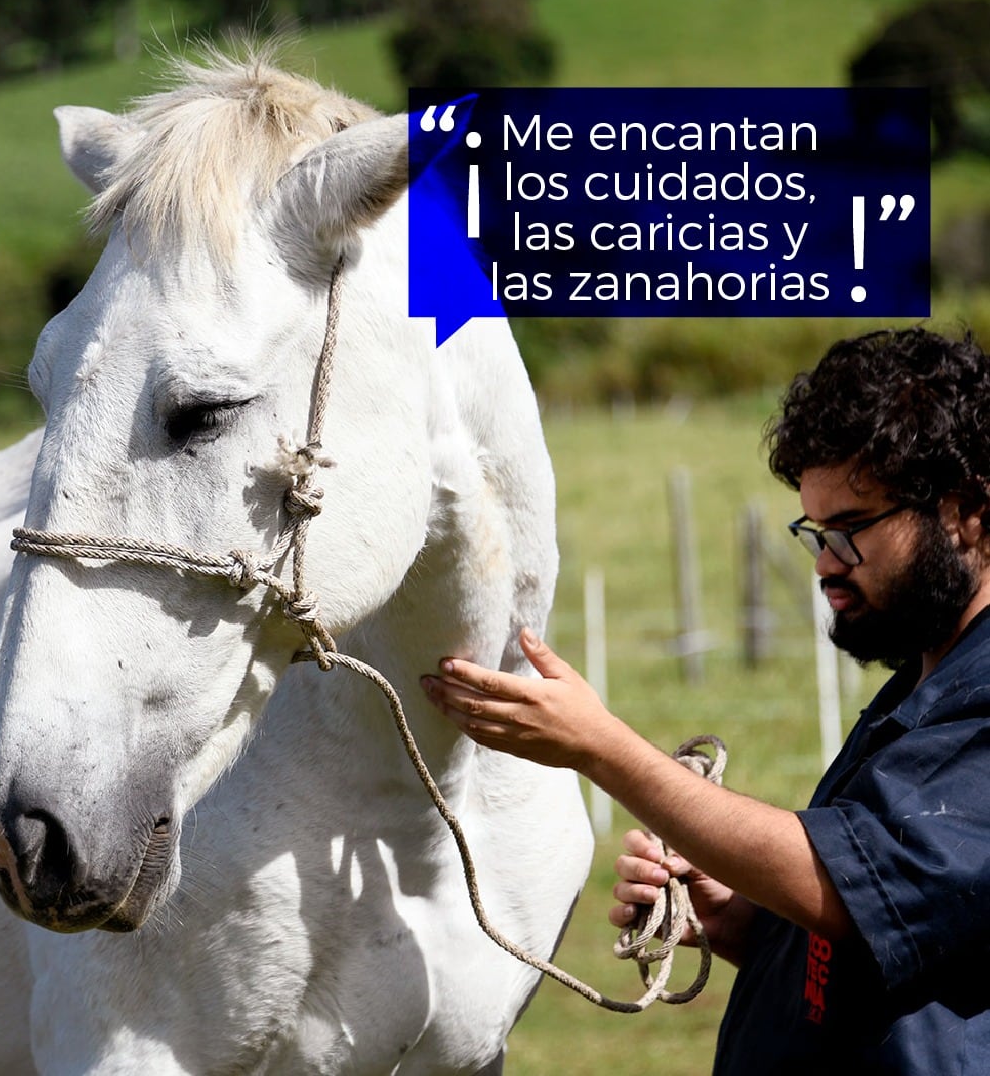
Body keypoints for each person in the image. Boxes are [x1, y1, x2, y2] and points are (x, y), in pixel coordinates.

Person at [421, 326, 990, 1073]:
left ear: (965, 511)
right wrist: (745, 918)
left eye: (850, 529)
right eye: (814, 531)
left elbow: (846, 891)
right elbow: (902, 925)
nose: (824, 564)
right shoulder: (924, 683)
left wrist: (601, 748)